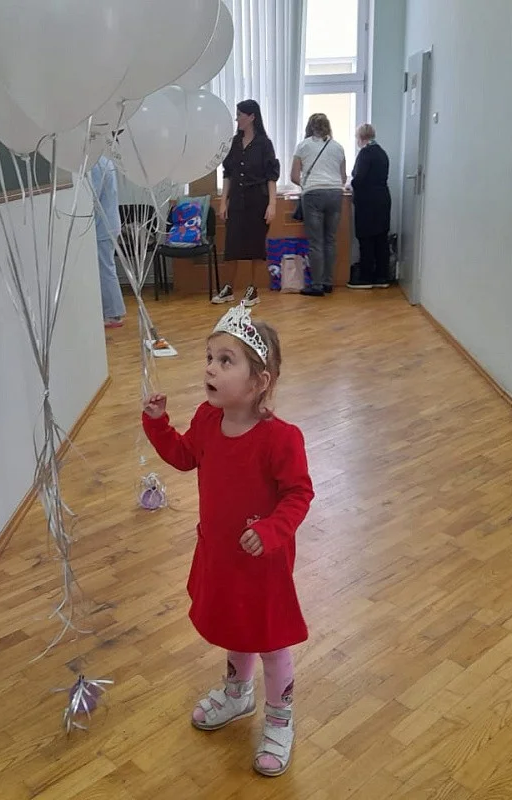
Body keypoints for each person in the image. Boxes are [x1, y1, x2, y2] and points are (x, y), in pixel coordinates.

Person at [141, 303, 314, 777]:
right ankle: (238, 694)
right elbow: (184, 456)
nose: (210, 369)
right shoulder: (206, 419)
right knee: (235, 625)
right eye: (209, 358)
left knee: (270, 643)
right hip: (220, 556)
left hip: (263, 564)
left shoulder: (281, 439)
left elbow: (299, 494)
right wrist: (158, 424)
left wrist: (270, 530)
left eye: (225, 360)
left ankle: (279, 719)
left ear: (259, 382)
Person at [215, 100, 280, 307]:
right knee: (231, 245)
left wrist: (272, 204)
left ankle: (253, 289)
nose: (237, 119)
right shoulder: (234, 143)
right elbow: (228, 174)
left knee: (256, 246)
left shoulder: (264, 144)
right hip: (237, 200)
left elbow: (271, 176)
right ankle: (228, 288)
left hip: (258, 200)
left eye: (240, 115)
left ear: (252, 117)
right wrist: (223, 201)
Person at [291, 113, 346, 297]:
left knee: (316, 242)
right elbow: (343, 177)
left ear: (309, 127)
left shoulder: (303, 146)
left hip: (313, 194)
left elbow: (294, 176)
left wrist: (307, 184)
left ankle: (317, 285)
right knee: (330, 239)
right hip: (335, 194)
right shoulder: (338, 147)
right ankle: (328, 282)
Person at [347, 123, 392, 289]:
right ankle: (382, 276)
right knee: (381, 238)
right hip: (383, 199)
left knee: (366, 238)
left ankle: (365, 277)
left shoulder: (365, 153)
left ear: (360, 138)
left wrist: (350, 185)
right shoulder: (382, 153)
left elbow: (359, 178)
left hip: (367, 201)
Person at [89, 155, 126, 328]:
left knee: (105, 269)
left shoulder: (94, 164)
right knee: (106, 267)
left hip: (103, 226)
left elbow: (92, 196)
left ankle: (113, 314)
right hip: (108, 223)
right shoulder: (104, 161)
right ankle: (111, 311)